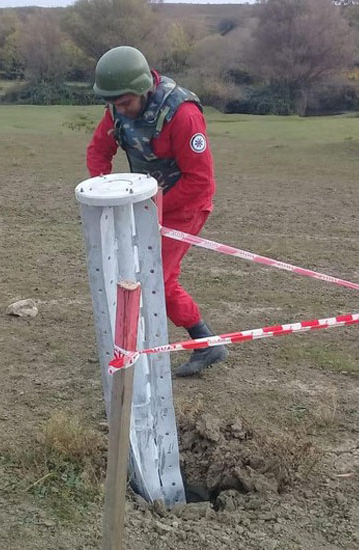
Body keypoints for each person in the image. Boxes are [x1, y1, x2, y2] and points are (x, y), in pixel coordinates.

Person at [86, 45, 228, 377]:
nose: (120, 110)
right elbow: (98, 151)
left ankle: (187, 346)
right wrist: (104, 191)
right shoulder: (118, 108)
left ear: (143, 89)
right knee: (145, 276)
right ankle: (201, 342)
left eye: (125, 103)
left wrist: (152, 209)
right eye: (114, 104)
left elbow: (200, 181)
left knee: (154, 281)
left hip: (185, 206)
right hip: (148, 205)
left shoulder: (182, 114)